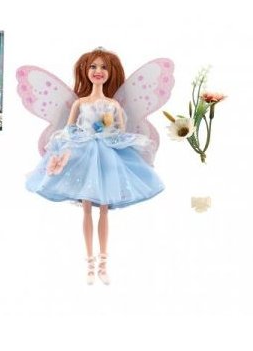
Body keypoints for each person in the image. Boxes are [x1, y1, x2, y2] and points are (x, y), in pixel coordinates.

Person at [23, 49, 167, 285]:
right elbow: (69, 129)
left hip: (107, 155)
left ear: (111, 73)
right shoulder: (80, 103)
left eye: (103, 67)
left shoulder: (113, 105)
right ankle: (90, 264)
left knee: (104, 209)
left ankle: (103, 264)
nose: (98, 71)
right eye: (93, 67)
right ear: (85, 71)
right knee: (87, 209)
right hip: (84, 153)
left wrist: (110, 133)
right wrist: (64, 146)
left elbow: (120, 131)